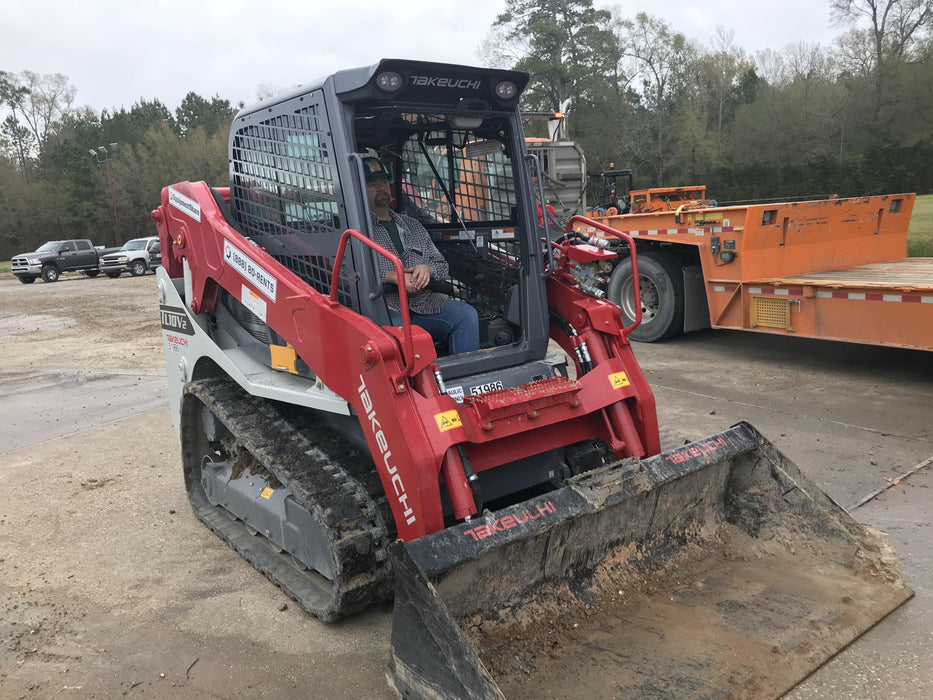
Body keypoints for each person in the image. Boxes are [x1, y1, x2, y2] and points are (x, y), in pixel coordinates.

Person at [363, 157, 480, 354]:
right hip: (385, 310)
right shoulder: (357, 230)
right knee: (400, 339)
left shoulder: (413, 225)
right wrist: (393, 277)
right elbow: (348, 275)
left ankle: (466, 371)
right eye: (372, 184)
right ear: (359, 189)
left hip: (424, 304)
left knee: (466, 315)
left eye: (383, 182)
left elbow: (441, 265)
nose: (381, 188)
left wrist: (427, 269)